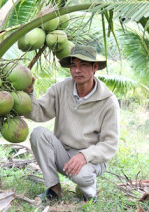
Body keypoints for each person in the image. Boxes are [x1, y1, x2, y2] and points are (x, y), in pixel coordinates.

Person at [24, 45, 120, 203]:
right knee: (38, 133)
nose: (77, 70)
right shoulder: (60, 89)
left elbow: (110, 144)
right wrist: (29, 92)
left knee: (82, 176)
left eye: (83, 65)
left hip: (91, 159)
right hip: (64, 153)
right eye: (73, 65)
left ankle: (88, 193)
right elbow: (38, 112)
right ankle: (54, 189)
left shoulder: (108, 101)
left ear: (94, 67)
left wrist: (84, 156)